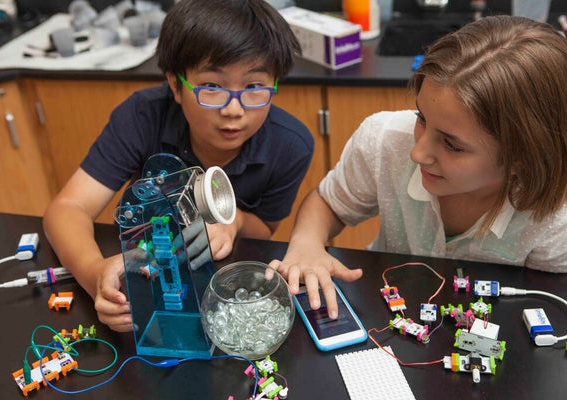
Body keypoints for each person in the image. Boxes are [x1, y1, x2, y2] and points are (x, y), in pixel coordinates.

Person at [268, 15, 567, 318]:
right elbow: (329, 204)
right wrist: (306, 243)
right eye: (421, 117)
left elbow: (550, 298)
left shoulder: (557, 217)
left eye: (452, 145)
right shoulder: (384, 140)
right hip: (388, 310)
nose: (417, 152)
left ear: (522, 160)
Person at [43, 0, 314, 332]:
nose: (233, 110)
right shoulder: (141, 117)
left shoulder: (290, 145)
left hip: (223, 297)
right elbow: (68, 207)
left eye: (254, 87)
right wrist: (94, 272)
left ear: (275, 85)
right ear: (175, 85)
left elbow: (264, 229)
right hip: (147, 274)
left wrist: (235, 221)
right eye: (212, 87)